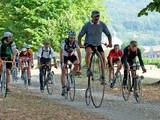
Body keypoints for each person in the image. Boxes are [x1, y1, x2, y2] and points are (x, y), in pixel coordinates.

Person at [78, 10, 112, 78]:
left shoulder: (102, 24)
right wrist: (80, 44)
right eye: (95, 17)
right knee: (89, 52)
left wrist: (110, 43)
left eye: (98, 17)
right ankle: (88, 69)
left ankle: (103, 75)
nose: (96, 18)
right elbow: (80, 35)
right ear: (91, 17)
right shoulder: (87, 25)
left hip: (98, 44)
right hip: (89, 43)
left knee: (103, 57)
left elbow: (108, 34)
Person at [60, 31, 81, 96]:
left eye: (73, 38)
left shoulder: (76, 42)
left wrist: (80, 61)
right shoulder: (64, 42)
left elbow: (78, 52)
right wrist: (63, 63)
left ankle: (71, 74)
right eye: (70, 38)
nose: (71, 39)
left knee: (77, 64)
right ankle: (63, 87)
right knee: (63, 71)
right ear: (68, 37)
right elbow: (61, 52)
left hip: (71, 55)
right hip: (64, 56)